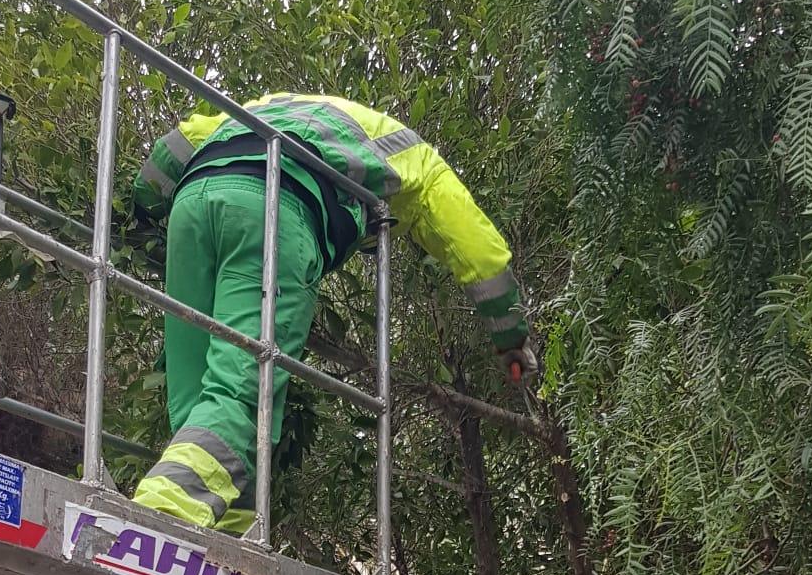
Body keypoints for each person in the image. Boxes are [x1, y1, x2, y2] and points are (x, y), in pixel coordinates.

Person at [131, 91, 535, 535]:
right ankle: (164, 516)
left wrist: (141, 215)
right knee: (242, 391)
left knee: (194, 403)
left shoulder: (267, 106)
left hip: (192, 205)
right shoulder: (409, 151)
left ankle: (225, 534)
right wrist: (510, 338)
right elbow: (481, 253)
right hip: (274, 207)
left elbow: (170, 151)